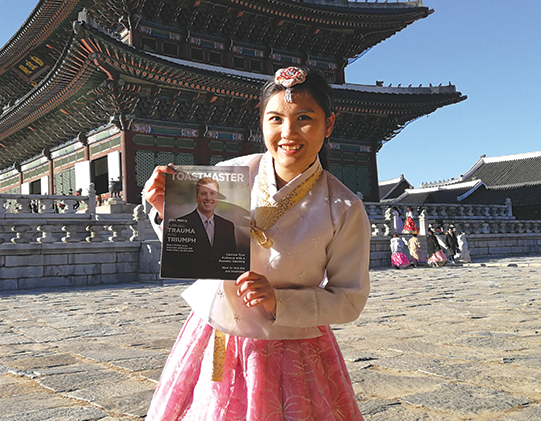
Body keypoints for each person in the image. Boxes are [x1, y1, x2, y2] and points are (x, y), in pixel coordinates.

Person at [142, 67, 370, 420]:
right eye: (275, 119)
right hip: (217, 337)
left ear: (329, 125)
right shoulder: (231, 174)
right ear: (262, 123)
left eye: (304, 119)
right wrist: (166, 212)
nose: (288, 133)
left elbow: (349, 300)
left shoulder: (342, 207)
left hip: (293, 347)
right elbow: (205, 254)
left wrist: (278, 299)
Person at [160, 177, 239, 279]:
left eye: (212, 193)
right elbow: (172, 262)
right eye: (203, 194)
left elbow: (232, 260)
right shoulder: (179, 224)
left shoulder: (228, 226)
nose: (208, 198)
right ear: (197, 198)